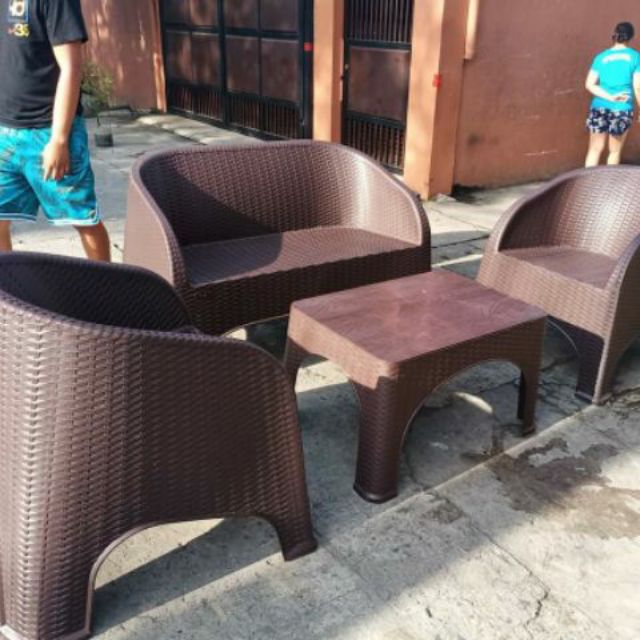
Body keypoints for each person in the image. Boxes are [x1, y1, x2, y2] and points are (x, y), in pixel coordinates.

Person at [0, 0, 110, 260]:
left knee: (83, 218)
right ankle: (8, 284)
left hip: (49, 132)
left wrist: (59, 139)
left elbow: (71, 68)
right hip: (5, 131)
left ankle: (107, 282)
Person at [585, 22, 640, 167]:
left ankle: (588, 181)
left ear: (615, 35)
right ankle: (610, 181)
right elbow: (638, 86)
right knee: (614, 152)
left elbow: (589, 84)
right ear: (631, 37)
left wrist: (609, 97)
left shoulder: (600, 57)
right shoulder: (635, 57)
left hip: (599, 107)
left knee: (594, 149)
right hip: (621, 107)